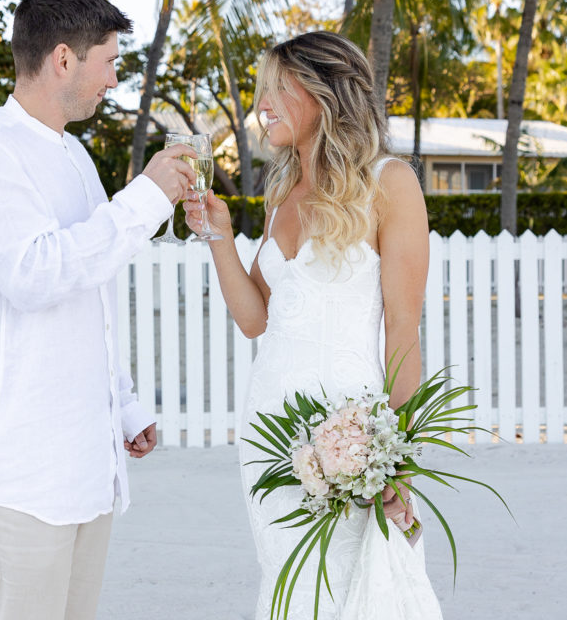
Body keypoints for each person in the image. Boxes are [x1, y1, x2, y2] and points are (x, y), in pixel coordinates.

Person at [0, 0, 195, 620]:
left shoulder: (75, 156)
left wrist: (125, 405)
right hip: (22, 469)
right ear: (62, 58)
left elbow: (92, 294)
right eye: (109, 61)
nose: (114, 80)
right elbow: (35, 274)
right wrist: (144, 198)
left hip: (86, 460)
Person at [184, 31, 443, 620]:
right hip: (271, 433)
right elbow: (256, 320)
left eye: (278, 89)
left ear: (324, 93)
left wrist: (400, 459)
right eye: (261, 91)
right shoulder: (281, 194)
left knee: (357, 586)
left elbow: (403, 328)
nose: (261, 105)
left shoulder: (388, 182)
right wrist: (217, 234)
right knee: (291, 586)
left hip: (351, 433)